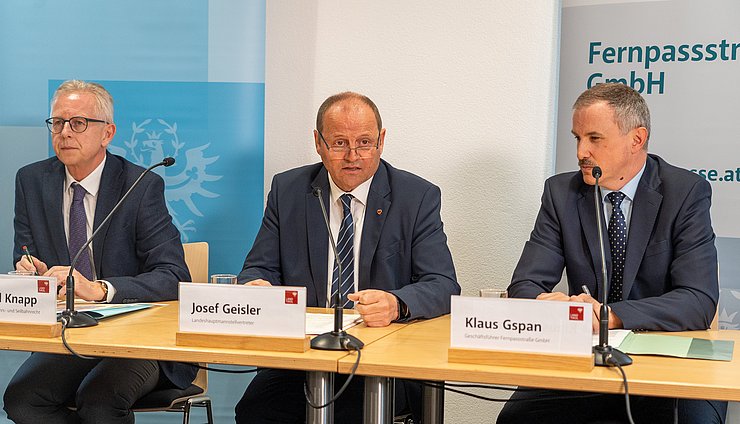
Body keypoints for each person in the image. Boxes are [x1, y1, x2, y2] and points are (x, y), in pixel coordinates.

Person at [498, 83, 725, 423]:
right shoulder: (561, 193)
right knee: (515, 420)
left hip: (668, 361)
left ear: (637, 139)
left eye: (594, 138)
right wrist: (550, 307)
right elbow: (525, 284)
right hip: (586, 361)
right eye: (577, 138)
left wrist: (609, 316)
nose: (581, 152)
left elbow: (697, 300)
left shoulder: (685, 193)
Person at [235, 91, 459, 422]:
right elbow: (258, 267)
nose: (353, 155)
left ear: (382, 141)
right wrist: (257, 287)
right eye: (339, 143)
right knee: (255, 410)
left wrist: (396, 303)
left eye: (365, 142)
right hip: (303, 359)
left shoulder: (417, 196)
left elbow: (443, 284)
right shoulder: (289, 190)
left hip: (383, 361)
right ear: (318, 142)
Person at [4, 80, 196, 424]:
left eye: (77, 123)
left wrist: (100, 289)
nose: (65, 132)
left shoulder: (140, 185)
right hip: (71, 336)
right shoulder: (31, 181)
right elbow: (25, 257)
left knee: (98, 402)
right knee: (21, 400)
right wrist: (32, 275)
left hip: (138, 339)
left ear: (107, 133)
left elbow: (174, 276)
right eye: (57, 122)